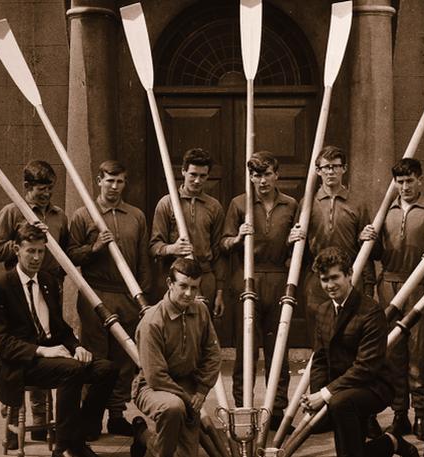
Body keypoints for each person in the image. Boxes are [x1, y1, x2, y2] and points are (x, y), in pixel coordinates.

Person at [0, 222, 118, 457]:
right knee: (72, 370)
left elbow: (61, 328)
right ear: (16, 249)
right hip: (21, 363)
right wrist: (41, 351)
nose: (36, 257)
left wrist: (76, 346)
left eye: (41, 251)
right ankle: (65, 448)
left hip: (55, 355)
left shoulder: (48, 281)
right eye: (30, 251)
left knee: (107, 369)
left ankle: (78, 434)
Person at [359, 158, 424, 439]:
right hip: (390, 284)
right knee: (392, 354)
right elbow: (376, 255)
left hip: (420, 288)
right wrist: (368, 239)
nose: (405, 186)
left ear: (420, 180)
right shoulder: (386, 210)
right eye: (400, 182)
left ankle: (422, 413)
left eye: (410, 180)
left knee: (418, 355)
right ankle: (400, 414)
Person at [303, 247, 418, 457]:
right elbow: (319, 359)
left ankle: (389, 442)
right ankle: (390, 442)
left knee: (339, 404)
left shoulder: (370, 311)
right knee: (350, 451)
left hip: (375, 385)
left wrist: (325, 394)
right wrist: (316, 395)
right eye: (324, 279)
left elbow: (366, 367)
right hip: (341, 388)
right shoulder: (323, 311)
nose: (330, 285)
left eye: (335, 277)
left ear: (349, 275)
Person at [67, 160, 152, 437]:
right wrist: (95, 247)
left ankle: (117, 415)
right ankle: (91, 419)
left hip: (127, 295)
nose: (114, 187)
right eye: (109, 181)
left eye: (120, 182)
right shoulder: (83, 215)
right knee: (95, 358)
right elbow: (71, 257)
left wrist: (142, 294)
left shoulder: (136, 215)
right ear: (99, 181)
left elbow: (143, 259)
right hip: (95, 295)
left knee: (124, 360)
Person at [0, 159, 69, 444]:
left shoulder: (60, 216)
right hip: (18, 295)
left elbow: (67, 254)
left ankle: (41, 424)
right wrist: (23, 239)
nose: (46, 194)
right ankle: (11, 422)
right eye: (40, 189)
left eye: (50, 188)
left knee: (45, 354)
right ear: (26, 188)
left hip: (50, 292)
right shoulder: (12, 212)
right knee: (19, 357)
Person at [221, 151, 297, 427]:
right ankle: (243, 408)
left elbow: (298, 248)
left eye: (266, 174)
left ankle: (277, 412)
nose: (261, 180)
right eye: (255, 174)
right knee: (246, 351)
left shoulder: (290, 204)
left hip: (278, 278)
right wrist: (239, 236)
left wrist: (293, 240)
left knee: (279, 350)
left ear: (276, 174)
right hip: (248, 279)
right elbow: (224, 243)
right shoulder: (239, 204)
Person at [131, 258, 222, 457]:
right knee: (174, 408)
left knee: (187, 454)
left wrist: (201, 390)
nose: (189, 294)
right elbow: (155, 376)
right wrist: (189, 399)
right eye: (183, 286)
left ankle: (143, 436)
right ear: (169, 284)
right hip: (153, 387)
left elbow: (213, 354)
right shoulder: (152, 321)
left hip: (188, 387)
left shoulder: (201, 311)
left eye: (194, 288)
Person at [288, 145, 375, 322]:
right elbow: (296, 249)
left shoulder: (357, 204)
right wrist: (291, 240)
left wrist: (368, 284)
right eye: (326, 167)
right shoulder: (307, 204)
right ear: (318, 171)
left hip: (350, 276)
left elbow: (366, 247)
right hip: (317, 278)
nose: (330, 171)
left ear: (344, 168)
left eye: (335, 166)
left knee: (349, 330)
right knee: (317, 332)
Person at [150, 148, 226, 318]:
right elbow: (154, 246)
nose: (197, 180)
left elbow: (218, 253)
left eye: (203, 176)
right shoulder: (167, 203)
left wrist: (219, 291)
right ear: (183, 171)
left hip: (204, 278)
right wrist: (172, 249)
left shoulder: (214, 207)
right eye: (193, 174)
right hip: (176, 278)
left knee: (202, 332)